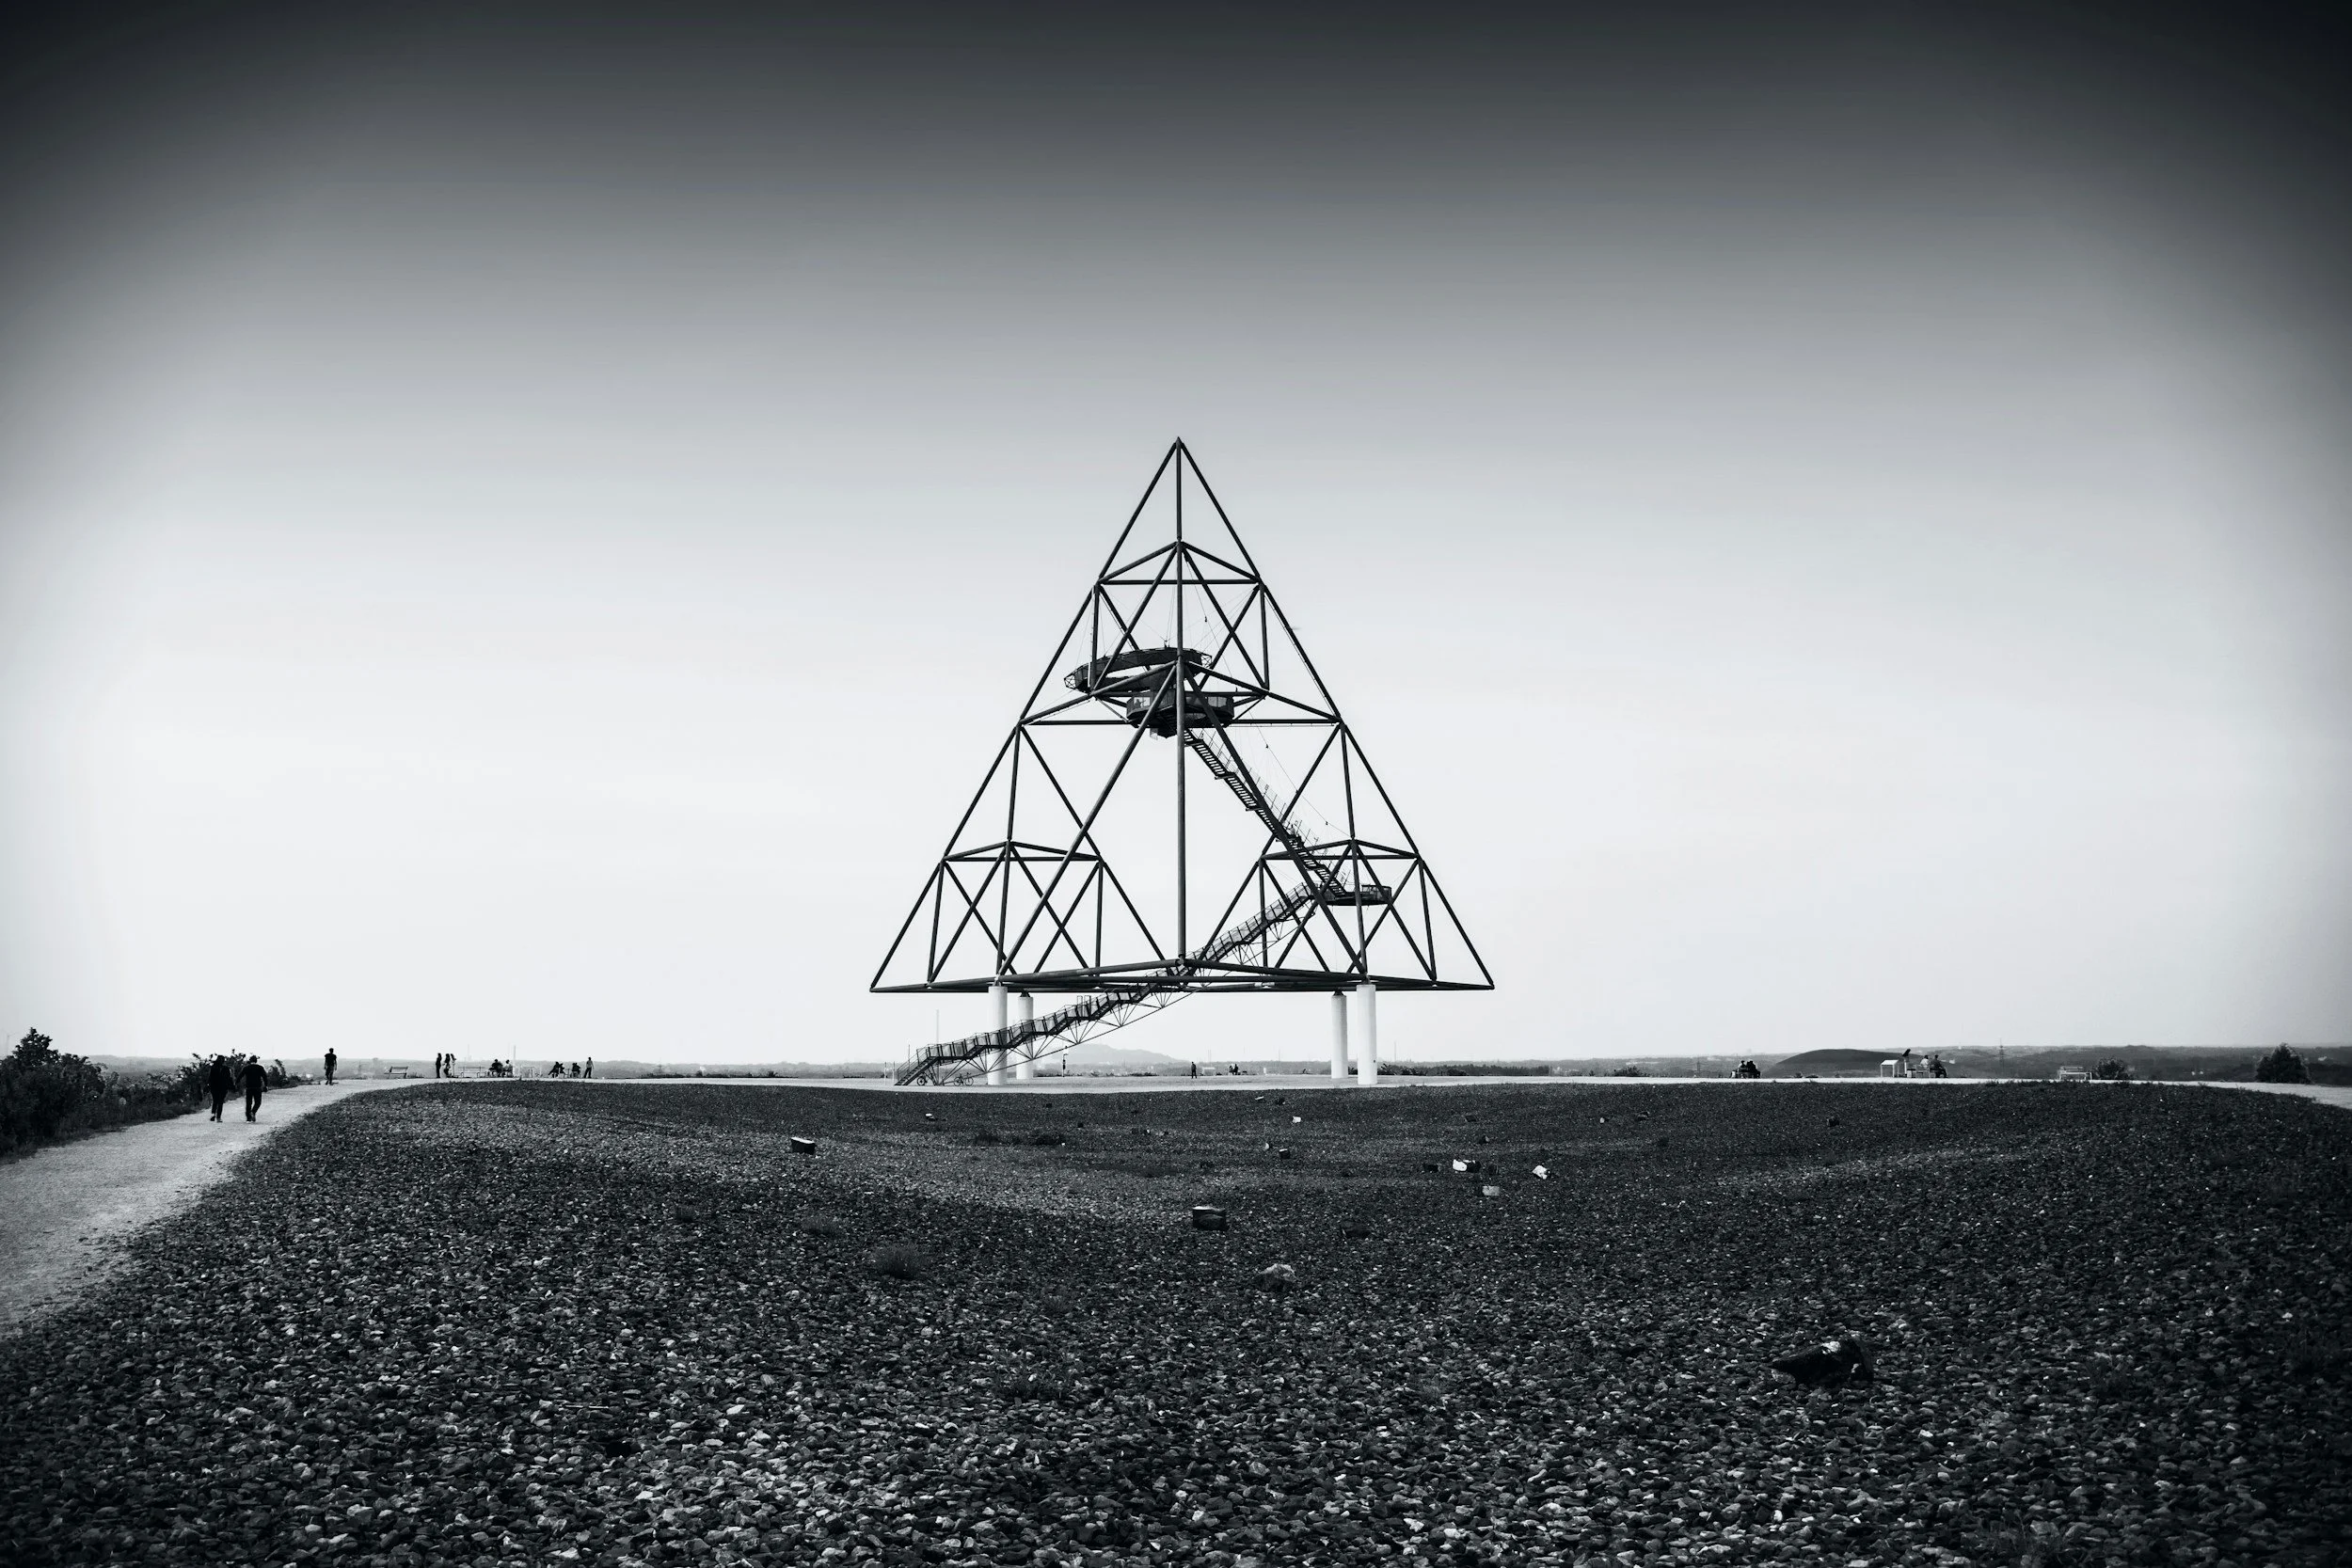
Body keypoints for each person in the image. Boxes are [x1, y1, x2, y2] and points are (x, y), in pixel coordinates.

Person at [206, 1055, 233, 1121]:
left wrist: (208, 1085)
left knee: (215, 1100)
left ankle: (213, 1113)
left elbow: (210, 1078)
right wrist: (232, 1086)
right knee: (220, 1102)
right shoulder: (226, 1069)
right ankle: (218, 1117)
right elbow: (229, 1079)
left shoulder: (213, 1067)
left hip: (214, 1087)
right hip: (223, 1087)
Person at [240, 1056, 267, 1121]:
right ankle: (253, 1112)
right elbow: (264, 1076)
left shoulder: (246, 1068)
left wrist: (236, 1083)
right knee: (258, 1102)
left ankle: (248, 1119)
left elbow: (240, 1075)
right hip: (257, 1087)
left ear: (250, 1061)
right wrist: (266, 1085)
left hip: (249, 1087)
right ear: (256, 1061)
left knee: (248, 1103)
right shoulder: (260, 1068)